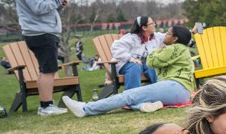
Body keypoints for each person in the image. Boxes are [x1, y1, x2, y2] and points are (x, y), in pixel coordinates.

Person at [63, 25, 194, 117]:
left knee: (129, 95)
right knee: (138, 93)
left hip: (175, 87)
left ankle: (86, 109)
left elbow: (150, 61)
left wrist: (156, 49)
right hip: (180, 91)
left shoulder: (174, 48)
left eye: (168, 33)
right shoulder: (181, 49)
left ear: (175, 38)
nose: (165, 35)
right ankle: (143, 106)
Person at [12, 0, 70, 115]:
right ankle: (46, 106)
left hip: (42, 32)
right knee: (48, 70)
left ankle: (46, 105)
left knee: (46, 69)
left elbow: (44, 11)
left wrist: (58, 6)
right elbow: (38, 8)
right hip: (41, 34)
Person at [111, 15, 166, 89]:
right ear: (144, 27)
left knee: (153, 64)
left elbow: (169, 37)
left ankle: (159, 90)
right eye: (152, 23)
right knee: (135, 67)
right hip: (126, 64)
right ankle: (131, 96)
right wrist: (131, 59)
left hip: (144, 64)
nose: (154, 25)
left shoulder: (156, 37)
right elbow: (116, 48)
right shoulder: (131, 38)